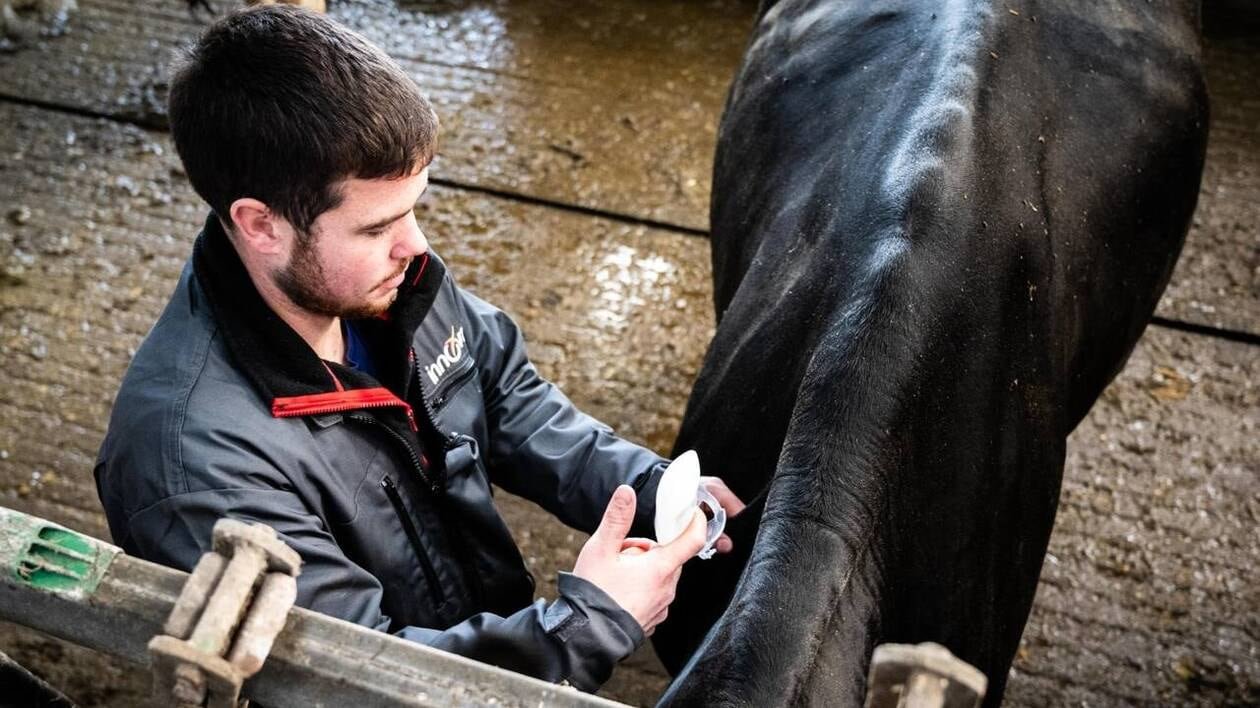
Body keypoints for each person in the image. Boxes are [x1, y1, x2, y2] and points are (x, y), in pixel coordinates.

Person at [93, 4, 745, 692]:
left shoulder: (388, 284)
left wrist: (651, 491)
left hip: (485, 634)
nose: (417, 245)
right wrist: (586, 627)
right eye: (377, 227)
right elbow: (348, 676)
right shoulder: (195, 464)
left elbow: (506, 396)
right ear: (261, 226)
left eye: (414, 207)